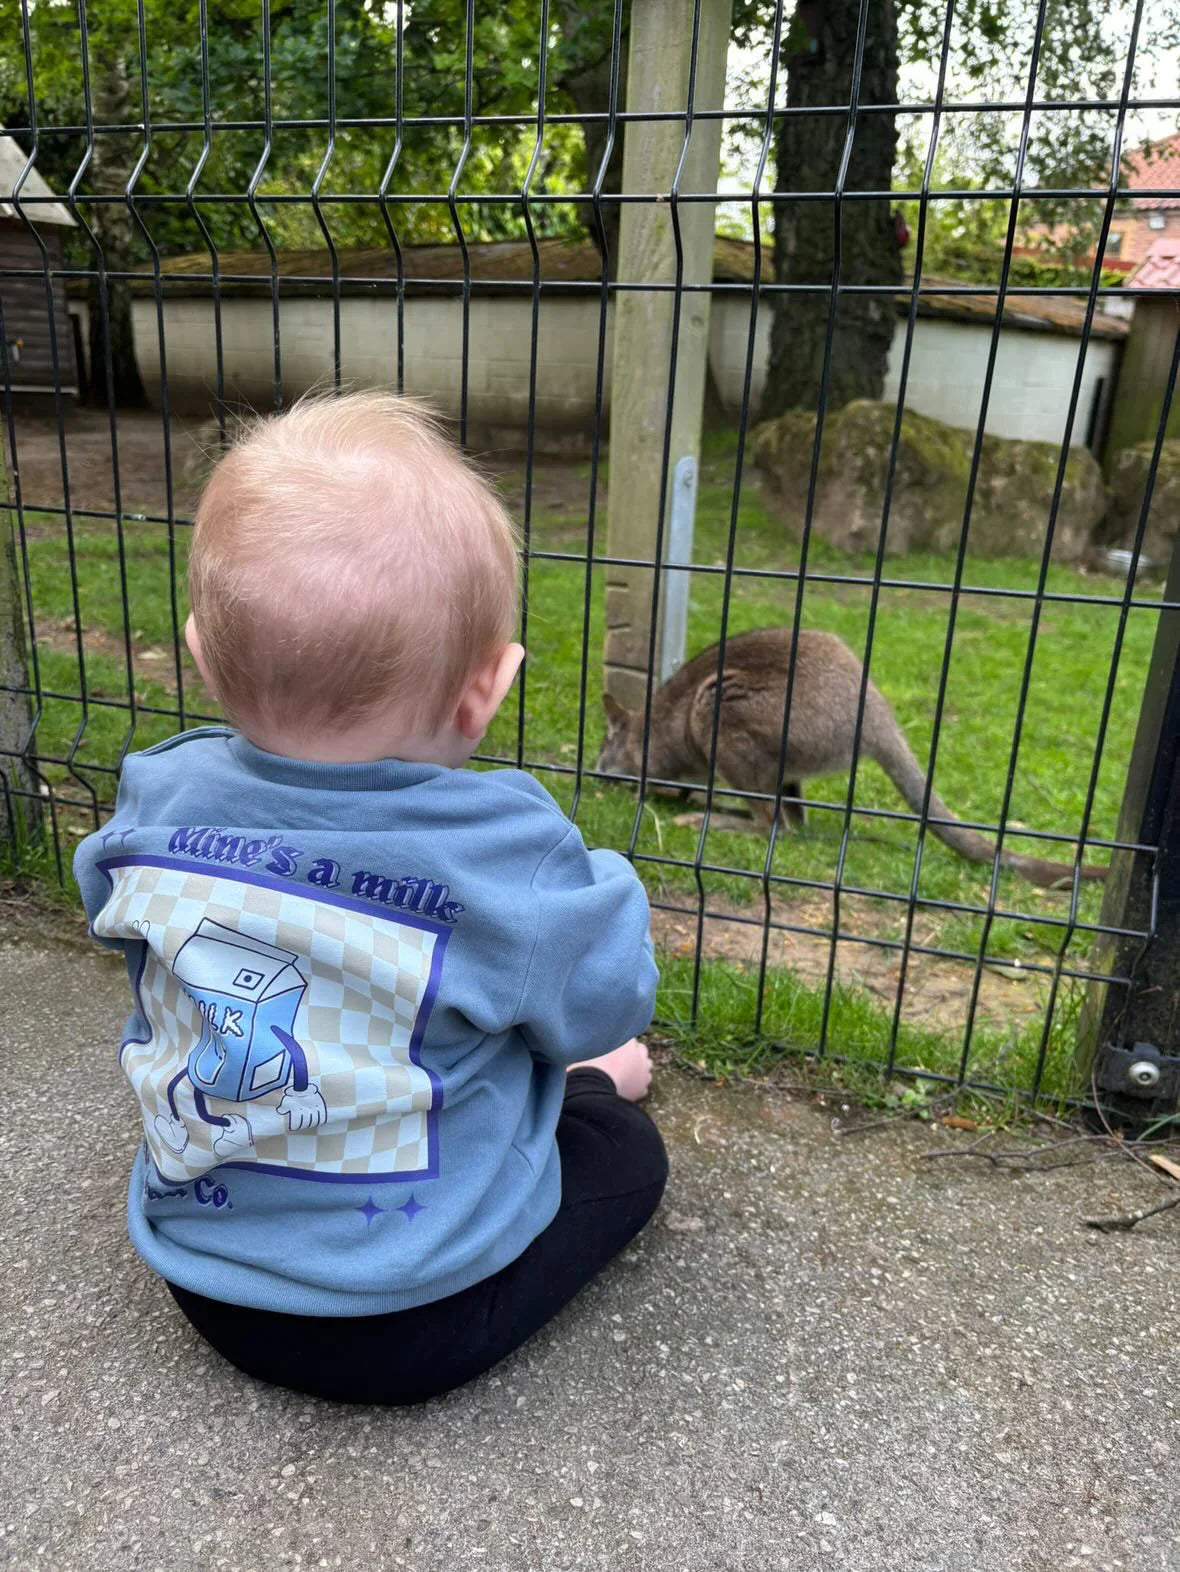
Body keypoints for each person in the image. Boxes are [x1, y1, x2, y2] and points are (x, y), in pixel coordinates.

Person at [74, 390, 666, 1405]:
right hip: (417, 1322)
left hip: (205, 1276)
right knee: (625, 1153)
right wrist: (596, 889)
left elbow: (106, 906)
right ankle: (595, 1092)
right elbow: (610, 997)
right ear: (486, 689)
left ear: (204, 656)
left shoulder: (155, 801)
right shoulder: (505, 851)